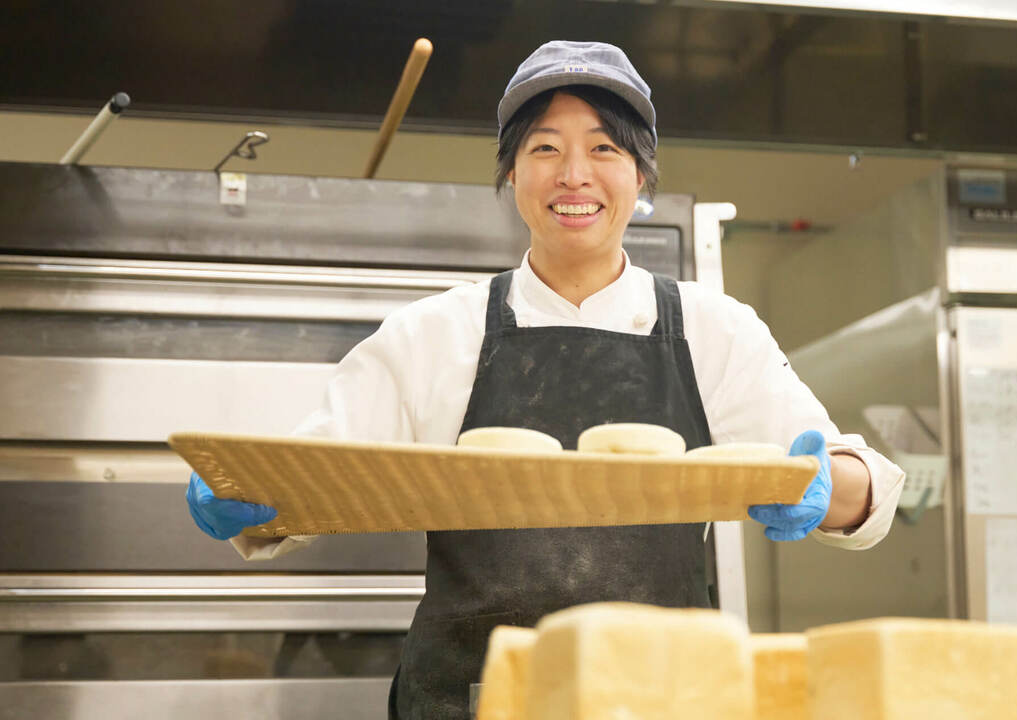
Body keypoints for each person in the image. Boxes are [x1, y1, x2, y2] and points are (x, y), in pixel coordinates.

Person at [185, 40, 905, 720]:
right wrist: (253, 494)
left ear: (642, 174)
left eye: (604, 148)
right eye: (545, 149)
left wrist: (825, 484)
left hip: (661, 696)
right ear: (511, 173)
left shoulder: (716, 332)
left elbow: (862, 483)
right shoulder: (435, 334)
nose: (574, 175)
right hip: (472, 697)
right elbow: (319, 475)